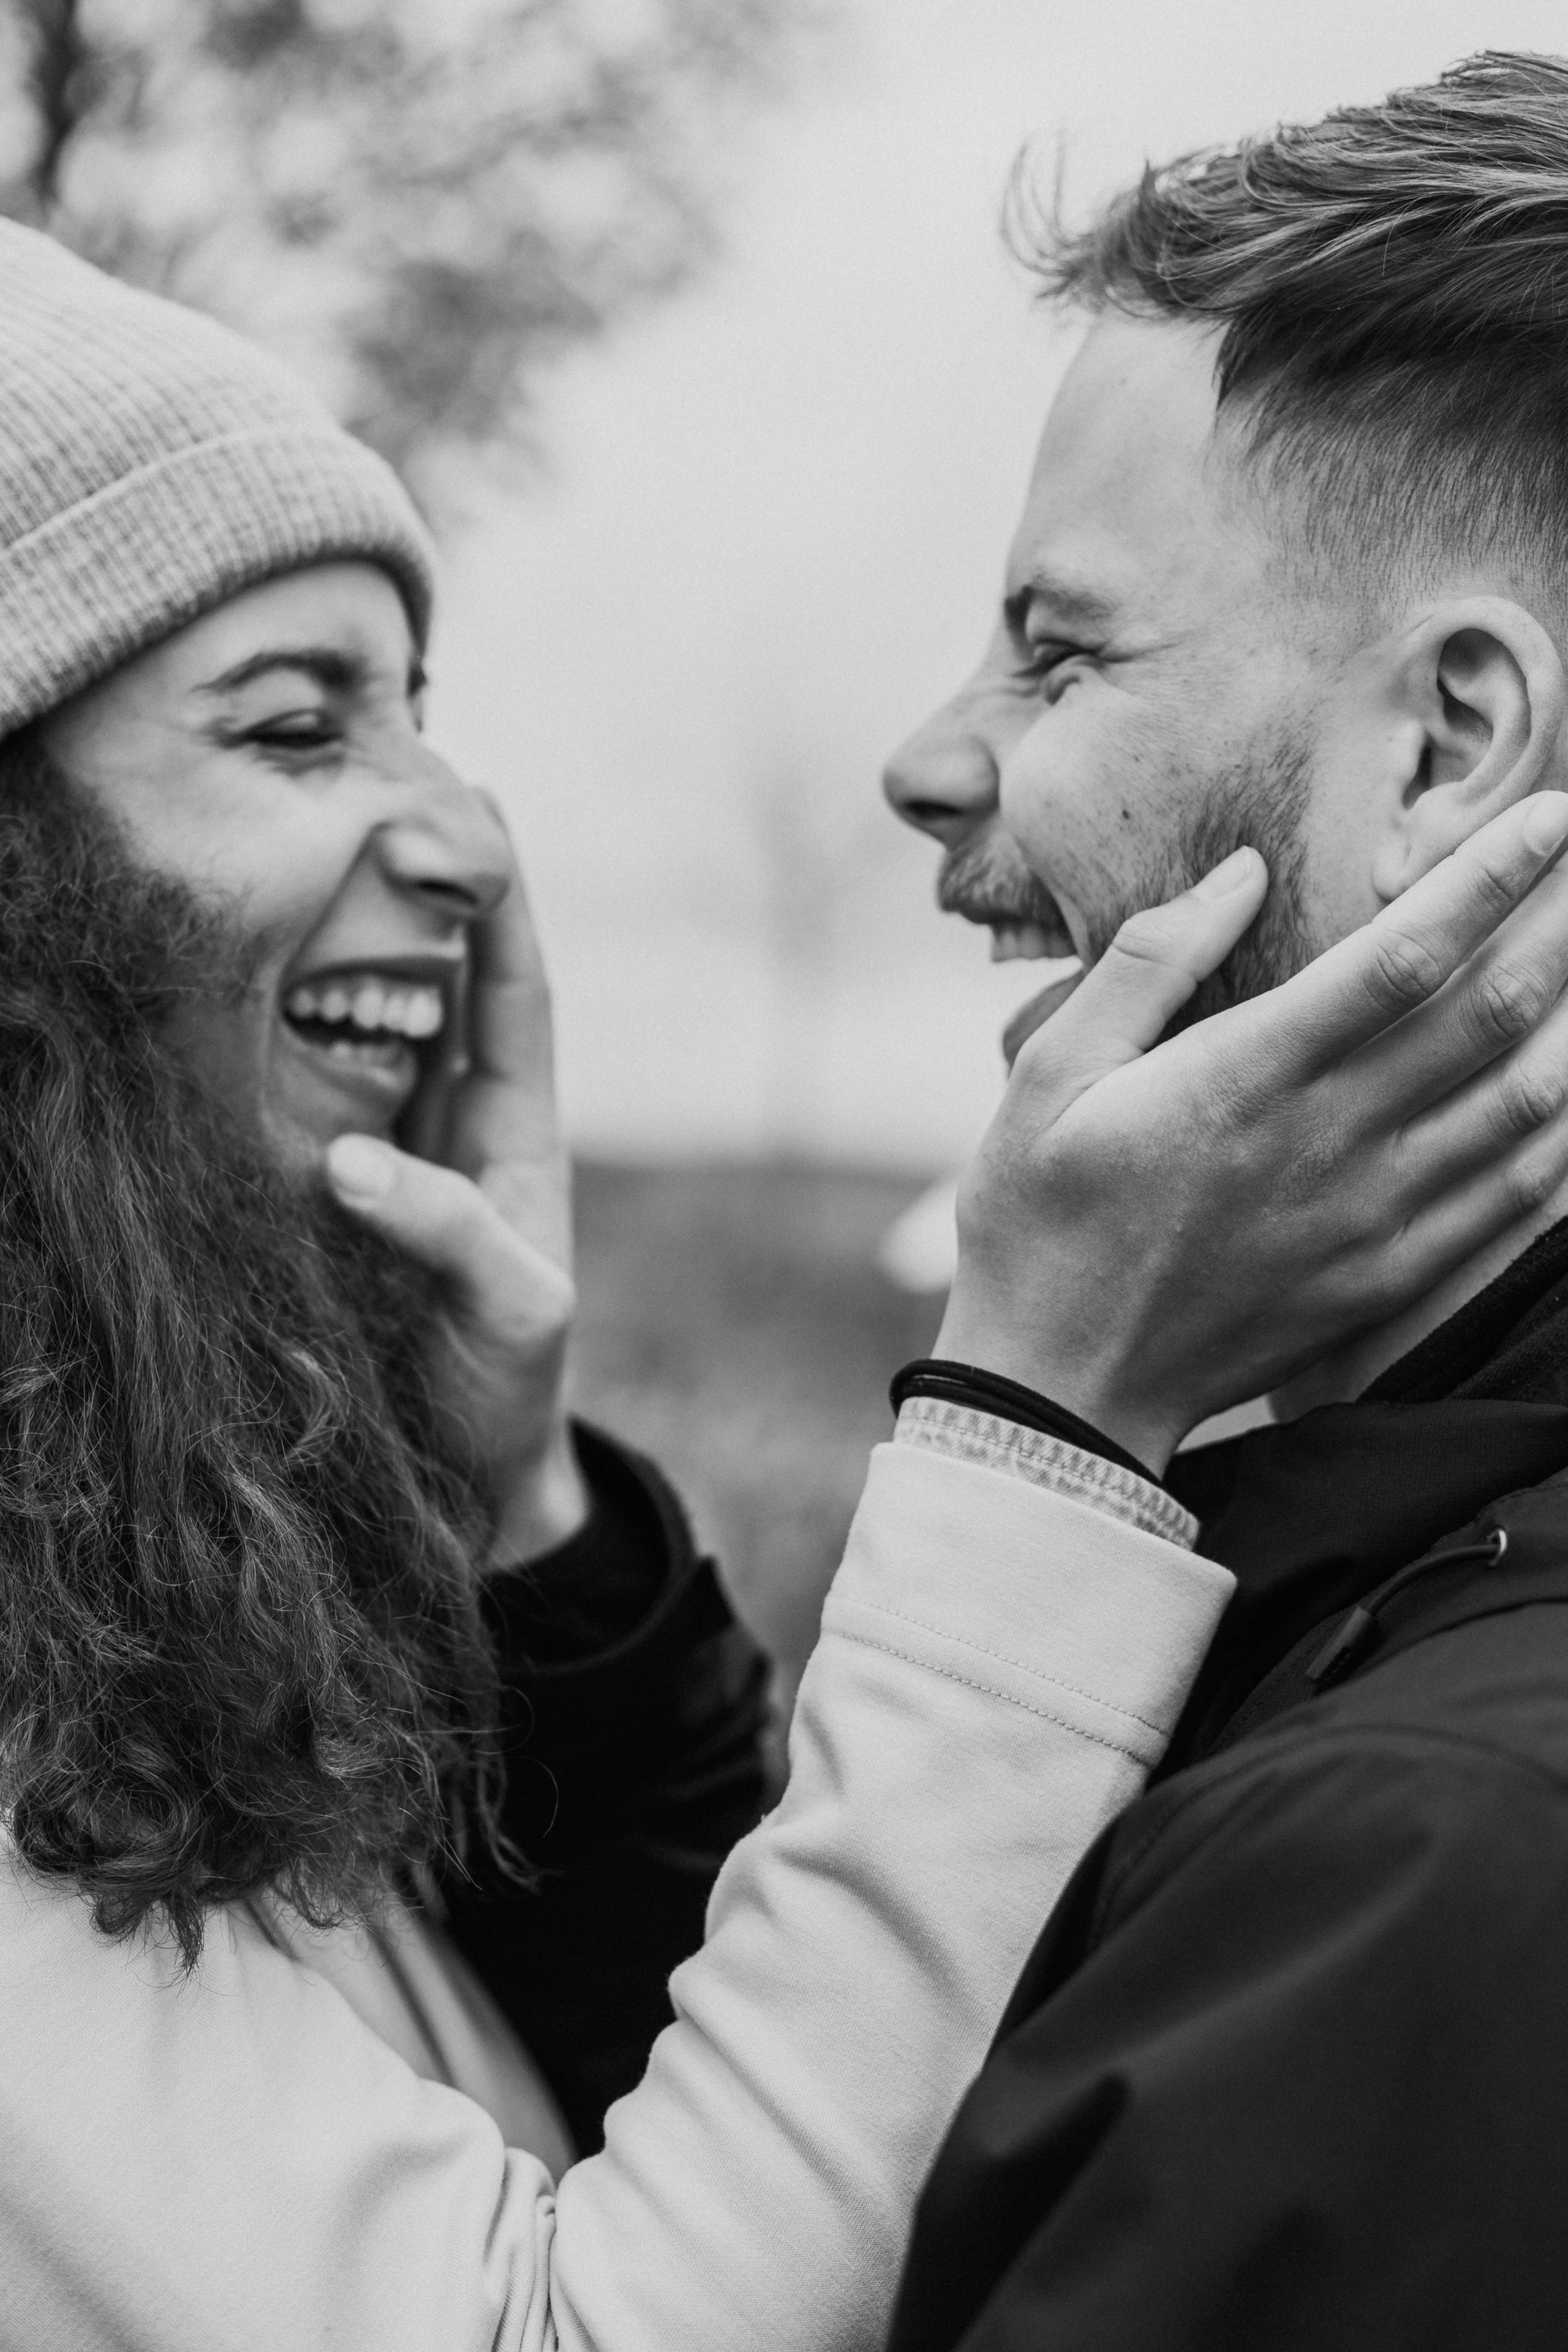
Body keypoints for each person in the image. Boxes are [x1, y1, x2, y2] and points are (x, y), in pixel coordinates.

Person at [0, 203, 1559, 2352]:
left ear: (1456, 739)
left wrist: (525, 1560)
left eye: (1060, 645)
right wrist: (1042, 1440)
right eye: (292, 728)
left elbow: (775, 2159)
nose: (467, 828)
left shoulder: (1439, 1814)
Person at [880, 49, 1568, 2351]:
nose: (931, 760)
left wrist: (1021, 1437)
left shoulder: (1420, 1868)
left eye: (1062, 650)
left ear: (1449, 746)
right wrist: (577, 1602)